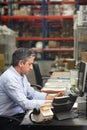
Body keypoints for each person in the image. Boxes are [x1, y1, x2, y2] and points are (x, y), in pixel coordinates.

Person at [0, 48, 64, 129]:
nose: (31, 68)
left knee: (51, 120)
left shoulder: (21, 75)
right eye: (29, 64)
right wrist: (50, 102)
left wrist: (52, 97)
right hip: (10, 121)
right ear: (21, 63)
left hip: (20, 115)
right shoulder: (9, 79)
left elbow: (32, 94)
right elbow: (25, 104)